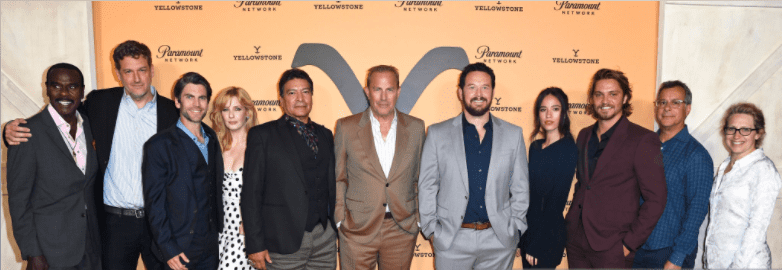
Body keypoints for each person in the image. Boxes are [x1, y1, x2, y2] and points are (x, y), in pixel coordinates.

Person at [4, 40, 178, 270]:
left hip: (159, 222)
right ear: (118, 73)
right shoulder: (100, 103)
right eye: (128, 71)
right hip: (114, 224)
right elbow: (58, 118)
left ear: (151, 70)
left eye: (142, 70)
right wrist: (9, 130)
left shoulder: (173, 112)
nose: (136, 79)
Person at [418, 62, 529, 270]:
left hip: (498, 241)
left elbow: (521, 188)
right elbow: (427, 186)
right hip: (452, 240)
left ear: (493, 92)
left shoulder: (513, 135)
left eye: (485, 87)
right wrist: (432, 231)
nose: (479, 93)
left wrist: (515, 228)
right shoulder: (437, 134)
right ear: (460, 93)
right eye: (472, 87)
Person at [564, 68, 667, 268]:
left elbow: (656, 199)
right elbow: (584, 185)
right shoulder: (584, 135)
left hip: (613, 247)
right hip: (577, 241)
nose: (605, 101)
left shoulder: (643, 139)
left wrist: (628, 244)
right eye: (599, 94)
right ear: (592, 99)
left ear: (626, 97)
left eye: (613, 94)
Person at [7, 63, 101, 270]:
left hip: (91, 247)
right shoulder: (27, 133)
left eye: (72, 87)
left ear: (82, 90)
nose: (64, 93)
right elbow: (19, 201)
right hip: (50, 251)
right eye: (56, 86)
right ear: (46, 89)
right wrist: (33, 252)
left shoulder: (91, 124)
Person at [242, 69, 337, 270]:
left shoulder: (326, 134)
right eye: (292, 93)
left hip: (324, 240)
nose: (300, 98)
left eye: (305, 91)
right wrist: (255, 244)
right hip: (282, 242)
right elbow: (251, 194)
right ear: (281, 100)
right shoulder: (262, 135)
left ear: (312, 96)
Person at [334, 65, 425, 269]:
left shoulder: (416, 128)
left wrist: (418, 219)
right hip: (357, 230)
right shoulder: (346, 127)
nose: (383, 97)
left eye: (389, 90)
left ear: (398, 92)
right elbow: (339, 178)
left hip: (401, 229)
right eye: (377, 89)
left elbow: (421, 178)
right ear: (367, 92)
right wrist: (341, 219)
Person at [143, 72, 224, 270]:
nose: (196, 104)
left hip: (211, 247)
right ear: (177, 102)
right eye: (189, 97)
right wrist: (168, 248)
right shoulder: (159, 145)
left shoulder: (212, 138)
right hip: (179, 248)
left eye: (202, 98)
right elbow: (155, 203)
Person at [633, 81, 713, 269]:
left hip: (669, 253)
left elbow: (697, 210)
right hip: (636, 247)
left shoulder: (696, 155)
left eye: (675, 102)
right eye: (662, 102)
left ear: (688, 108)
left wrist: (677, 258)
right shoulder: (643, 146)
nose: (667, 108)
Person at [705, 102, 782, 268]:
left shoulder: (763, 169)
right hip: (717, 263)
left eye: (745, 130)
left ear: (758, 133)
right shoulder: (725, 166)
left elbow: (756, 229)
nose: (736, 135)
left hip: (746, 264)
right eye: (731, 128)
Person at [517, 87, 576, 269]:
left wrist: (536, 245)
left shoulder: (567, 149)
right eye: (543, 109)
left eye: (555, 109)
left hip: (547, 237)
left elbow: (555, 203)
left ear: (564, 113)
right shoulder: (535, 147)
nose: (548, 115)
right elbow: (530, 196)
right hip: (530, 231)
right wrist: (522, 237)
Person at [209, 86, 259, 270]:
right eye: (225, 109)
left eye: (237, 109)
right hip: (221, 231)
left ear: (248, 112)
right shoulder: (216, 146)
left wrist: (253, 224)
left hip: (247, 229)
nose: (231, 115)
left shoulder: (258, 146)